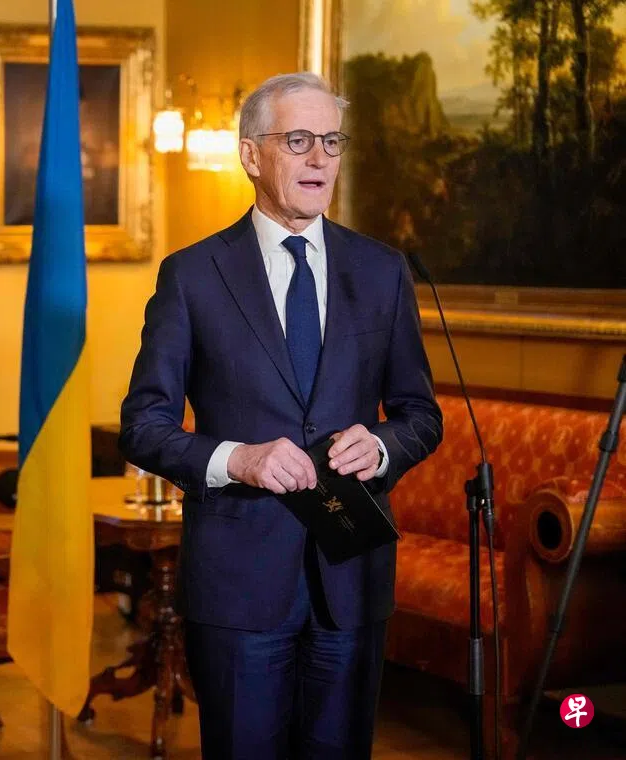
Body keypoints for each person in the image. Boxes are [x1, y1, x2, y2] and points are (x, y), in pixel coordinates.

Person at [119, 73, 443, 758]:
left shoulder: (383, 271)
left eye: (332, 141)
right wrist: (237, 459)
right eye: (298, 140)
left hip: (351, 580)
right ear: (251, 155)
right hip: (238, 586)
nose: (320, 158)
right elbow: (143, 425)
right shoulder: (192, 275)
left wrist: (382, 447)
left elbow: (420, 415)